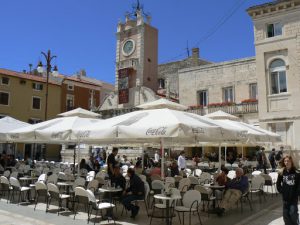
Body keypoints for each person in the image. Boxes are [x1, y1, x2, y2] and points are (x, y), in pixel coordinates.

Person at [276, 155, 300, 225]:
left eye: (288, 161)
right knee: (285, 215)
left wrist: (297, 193)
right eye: (285, 161)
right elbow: (278, 184)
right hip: (285, 198)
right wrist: (281, 191)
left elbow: (299, 185)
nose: (287, 162)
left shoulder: (297, 173)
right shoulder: (281, 172)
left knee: (293, 213)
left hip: (293, 198)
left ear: (291, 162)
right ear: (284, 162)